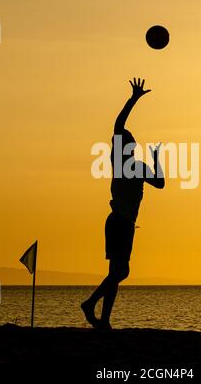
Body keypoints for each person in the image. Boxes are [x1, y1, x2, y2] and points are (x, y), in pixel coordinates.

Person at [81, 78, 165, 330]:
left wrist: (156, 158)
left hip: (123, 223)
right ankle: (91, 304)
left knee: (117, 272)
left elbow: (160, 183)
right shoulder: (124, 162)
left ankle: (104, 319)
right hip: (119, 222)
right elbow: (119, 125)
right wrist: (133, 99)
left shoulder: (133, 166)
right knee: (120, 272)